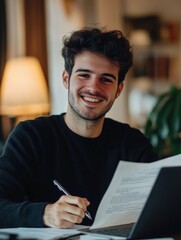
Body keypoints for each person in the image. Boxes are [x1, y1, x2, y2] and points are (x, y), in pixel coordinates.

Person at [0, 27, 158, 229]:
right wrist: (45, 214)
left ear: (119, 89)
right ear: (66, 78)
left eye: (106, 79)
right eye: (84, 75)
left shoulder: (133, 143)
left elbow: (163, 206)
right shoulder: (31, 136)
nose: (93, 88)